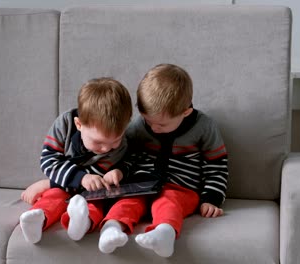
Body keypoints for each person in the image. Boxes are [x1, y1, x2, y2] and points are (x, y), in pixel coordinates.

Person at [20, 77, 145, 254]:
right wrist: (80, 178)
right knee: (53, 196)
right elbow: (49, 160)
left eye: (115, 141)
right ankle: (39, 220)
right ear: (79, 124)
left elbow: (133, 161)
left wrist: (120, 171)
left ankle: (81, 223)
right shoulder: (65, 125)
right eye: (98, 142)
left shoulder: (124, 141)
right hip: (67, 183)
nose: (106, 148)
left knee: (95, 203)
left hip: (97, 193)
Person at [127, 64, 229, 257]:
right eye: (148, 121)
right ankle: (113, 229)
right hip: (143, 185)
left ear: (185, 112)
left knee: (168, 201)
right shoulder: (140, 126)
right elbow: (121, 152)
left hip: (182, 189)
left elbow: (216, 166)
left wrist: (211, 198)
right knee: (127, 201)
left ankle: (165, 234)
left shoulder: (204, 127)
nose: (153, 128)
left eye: (161, 124)